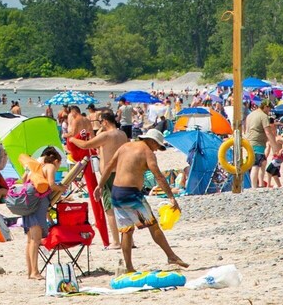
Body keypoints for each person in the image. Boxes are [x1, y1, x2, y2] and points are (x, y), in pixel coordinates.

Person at [100, 133, 187, 273]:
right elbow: (158, 176)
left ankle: (129, 267)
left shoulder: (124, 147)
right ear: (151, 141)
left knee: (127, 231)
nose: (156, 150)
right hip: (131, 195)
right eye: (157, 146)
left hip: (116, 193)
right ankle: (171, 256)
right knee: (153, 225)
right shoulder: (147, 152)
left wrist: (100, 185)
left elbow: (109, 165)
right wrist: (171, 197)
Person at [68, 112, 130, 240]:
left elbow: (86, 145)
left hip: (109, 175)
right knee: (123, 206)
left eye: (101, 122)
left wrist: (72, 139)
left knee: (109, 208)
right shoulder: (122, 134)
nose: (100, 124)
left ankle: (116, 241)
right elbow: (102, 146)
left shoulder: (106, 135)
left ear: (105, 122)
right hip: (121, 171)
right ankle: (129, 240)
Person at [21, 149, 79, 280]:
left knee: (30, 240)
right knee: (35, 240)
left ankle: (30, 271)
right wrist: (62, 189)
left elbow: (24, 180)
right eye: (59, 164)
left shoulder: (37, 167)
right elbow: (52, 185)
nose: (58, 167)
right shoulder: (50, 166)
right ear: (56, 161)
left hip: (28, 202)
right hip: (37, 203)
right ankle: (35, 272)